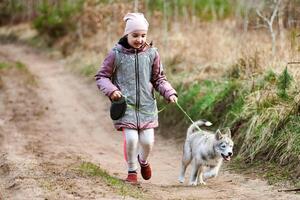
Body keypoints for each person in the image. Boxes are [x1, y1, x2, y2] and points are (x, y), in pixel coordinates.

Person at [95, 12, 177, 184]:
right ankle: (132, 171)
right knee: (131, 139)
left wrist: (169, 92)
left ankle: (143, 161)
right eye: (135, 35)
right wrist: (112, 91)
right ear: (127, 34)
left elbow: (158, 79)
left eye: (143, 35)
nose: (139, 39)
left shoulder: (152, 54)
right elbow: (102, 76)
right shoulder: (116, 54)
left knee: (148, 142)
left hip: (147, 106)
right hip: (126, 106)